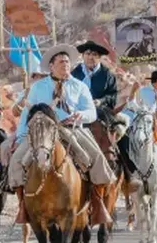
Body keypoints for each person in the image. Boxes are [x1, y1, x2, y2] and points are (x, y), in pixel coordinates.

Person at [8, 44, 117, 226]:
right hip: (42, 130)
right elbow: (27, 115)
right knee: (16, 160)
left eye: (67, 62)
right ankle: (23, 206)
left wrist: (81, 115)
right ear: (51, 66)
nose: (65, 65)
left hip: (73, 128)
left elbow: (92, 112)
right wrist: (21, 137)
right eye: (61, 62)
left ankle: (97, 204)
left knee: (97, 158)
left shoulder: (80, 86)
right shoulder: (38, 88)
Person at [71, 40, 118, 111]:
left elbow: (113, 97)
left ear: (99, 57)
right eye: (88, 54)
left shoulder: (108, 75)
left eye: (94, 54)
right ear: (83, 56)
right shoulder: (75, 73)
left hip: (100, 112)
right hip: (78, 111)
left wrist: (101, 101)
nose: (90, 57)